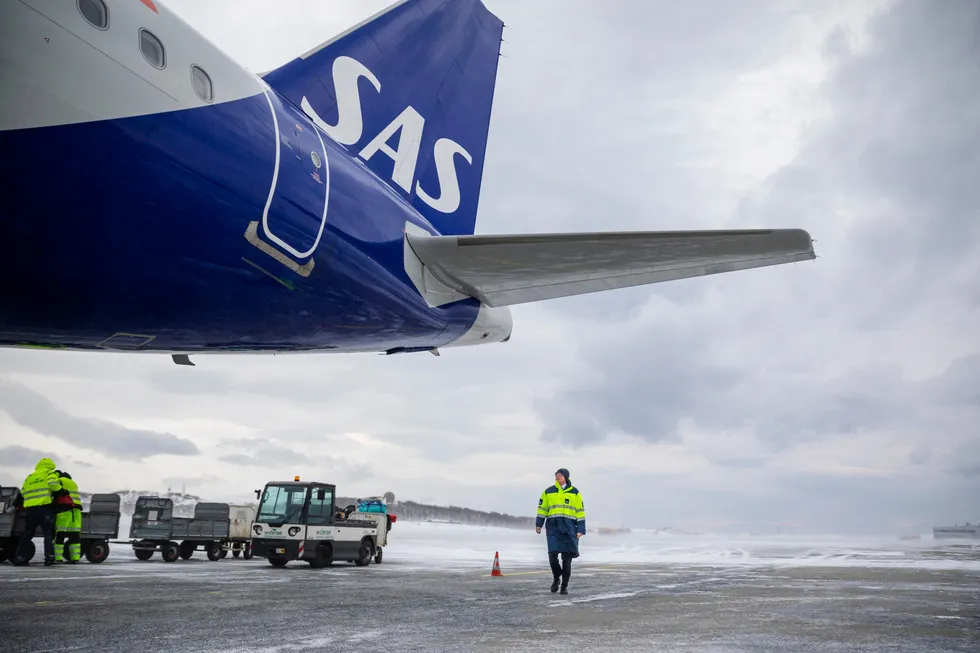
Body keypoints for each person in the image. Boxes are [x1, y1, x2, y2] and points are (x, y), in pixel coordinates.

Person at [535, 468, 586, 594]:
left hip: (569, 529)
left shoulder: (575, 492)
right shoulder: (548, 492)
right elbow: (542, 509)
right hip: (553, 528)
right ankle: (556, 578)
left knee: (567, 559)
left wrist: (581, 529)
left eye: (559, 475)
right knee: (552, 555)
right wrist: (539, 524)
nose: (557, 477)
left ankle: (564, 586)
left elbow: (580, 511)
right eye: (556, 475)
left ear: (566, 477)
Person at [12, 457, 62, 566]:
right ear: (51, 465)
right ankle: (49, 557)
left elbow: (24, 492)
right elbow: (54, 484)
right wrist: (60, 490)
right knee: (48, 534)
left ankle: (20, 557)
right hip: (44, 508)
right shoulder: (49, 474)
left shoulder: (30, 477)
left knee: (27, 534)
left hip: (30, 510)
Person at [53, 470, 83, 564]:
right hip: (76, 511)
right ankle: (75, 558)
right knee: (75, 535)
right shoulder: (73, 483)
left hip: (64, 509)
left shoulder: (59, 481)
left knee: (60, 534)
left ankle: (57, 558)